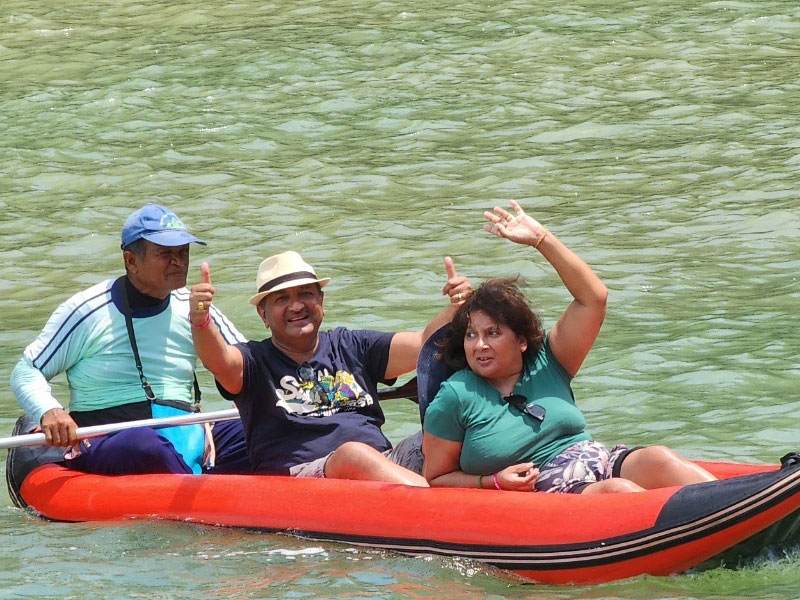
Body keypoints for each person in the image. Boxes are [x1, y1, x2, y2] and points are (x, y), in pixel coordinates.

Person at [422, 201, 716, 494]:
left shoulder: (549, 361)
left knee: (658, 458)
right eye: (471, 335)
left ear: (522, 341)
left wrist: (542, 240)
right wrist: (494, 482)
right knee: (618, 491)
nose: (480, 344)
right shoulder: (456, 395)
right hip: (548, 491)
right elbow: (436, 477)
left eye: (493, 333)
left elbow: (594, 299)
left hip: (593, 460)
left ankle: (743, 513)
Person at [189, 250, 472, 486]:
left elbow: (426, 343)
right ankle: (439, 504)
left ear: (321, 301)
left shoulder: (352, 344)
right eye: (282, 299)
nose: (297, 305)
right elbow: (219, 361)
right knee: (352, 455)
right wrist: (202, 320)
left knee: (442, 433)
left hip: (383, 463)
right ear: (263, 314)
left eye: (306, 294)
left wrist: (459, 306)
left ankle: (495, 492)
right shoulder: (253, 359)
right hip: (303, 478)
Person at [10, 203, 249, 475]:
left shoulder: (195, 307)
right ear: (131, 261)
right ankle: (196, 486)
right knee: (145, 443)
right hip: (111, 439)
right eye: (165, 253)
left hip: (186, 435)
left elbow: (249, 365)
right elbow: (27, 370)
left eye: (183, 252)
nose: (179, 261)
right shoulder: (87, 309)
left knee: (268, 427)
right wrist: (49, 410)